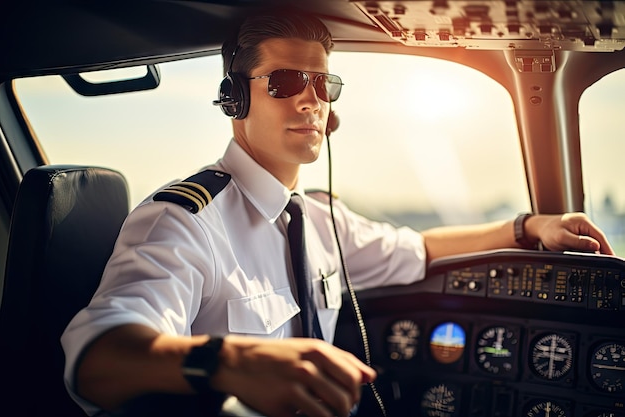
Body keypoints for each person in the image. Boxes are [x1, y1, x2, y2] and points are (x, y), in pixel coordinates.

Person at [61, 8, 614, 417]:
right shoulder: (184, 223)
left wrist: (529, 227)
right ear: (236, 100)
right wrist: (228, 361)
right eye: (285, 81)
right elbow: (97, 357)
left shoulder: (322, 220)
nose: (311, 100)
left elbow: (419, 248)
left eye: (323, 83)